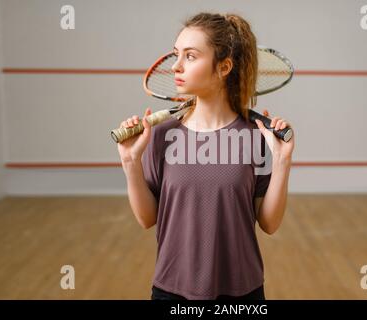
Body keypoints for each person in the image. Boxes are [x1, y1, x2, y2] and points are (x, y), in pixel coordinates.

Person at [117, 12, 295, 300]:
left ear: (224, 67)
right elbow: (147, 218)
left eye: (190, 56)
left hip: (242, 293)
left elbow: (269, 223)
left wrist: (283, 161)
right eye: (176, 55)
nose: (175, 66)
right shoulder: (162, 135)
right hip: (171, 291)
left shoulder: (255, 136)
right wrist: (130, 162)